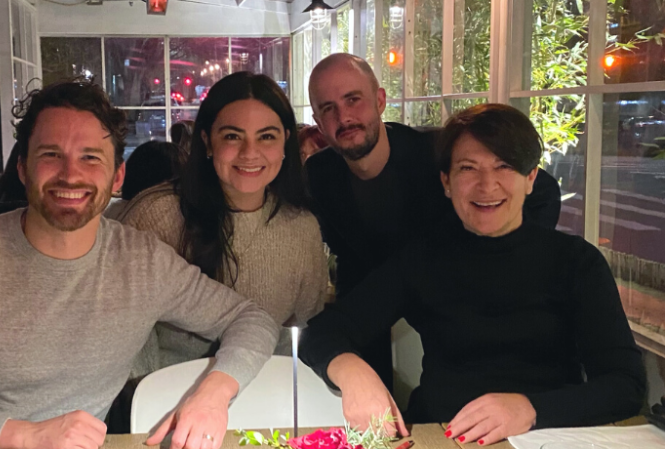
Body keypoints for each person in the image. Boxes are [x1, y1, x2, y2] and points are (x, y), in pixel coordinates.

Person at [0, 79, 279, 449]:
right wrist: (23, 436)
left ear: (117, 178)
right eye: (51, 155)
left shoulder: (142, 262)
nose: (70, 175)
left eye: (90, 158)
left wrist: (213, 394)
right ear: (24, 169)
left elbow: (252, 320)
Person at [300, 104, 645, 445]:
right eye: (468, 168)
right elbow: (323, 334)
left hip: (549, 436)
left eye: (504, 166)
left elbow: (625, 385)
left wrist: (530, 408)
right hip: (442, 433)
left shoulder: (577, 262)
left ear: (530, 179)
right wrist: (351, 371)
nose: (486, 185)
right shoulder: (422, 257)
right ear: (446, 182)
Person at [304, 53, 563, 389]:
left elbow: (541, 191)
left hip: (452, 283)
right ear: (318, 122)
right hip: (378, 288)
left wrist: (497, 263)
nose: (344, 116)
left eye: (354, 99)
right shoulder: (318, 174)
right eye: (328, 108)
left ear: (380, 101)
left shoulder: (439, 151)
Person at [113, 71, 329, 375]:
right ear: (207, 142)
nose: (250, 153)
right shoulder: (158, 215)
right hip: (165, 398)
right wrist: (152, 396)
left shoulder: (302, 228)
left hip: (262, 396)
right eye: (232, 136)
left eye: (266, 136)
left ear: (285, 143)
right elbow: (123, 329)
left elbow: (301, 334)